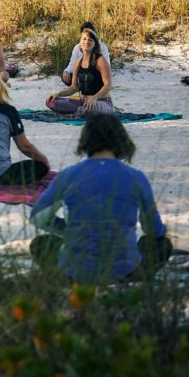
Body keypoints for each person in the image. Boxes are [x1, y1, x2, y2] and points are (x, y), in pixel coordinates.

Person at [28, 114, 171, 283]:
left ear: (85, 141)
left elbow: (38, 217)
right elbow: (154, 230)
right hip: (124, 270)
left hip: (76, 271)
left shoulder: (69, 175)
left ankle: (65, 276)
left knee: (40, 244)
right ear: (121, 140)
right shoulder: (136, 177)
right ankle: (134, 278)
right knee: (162, 245)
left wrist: (67, 230)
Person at [46, 27, 114, 117]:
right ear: (80, 42)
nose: (86, 42)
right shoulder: (77, 62)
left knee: (86, 110)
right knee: (51, 102)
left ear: (95, 44)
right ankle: (75, 113)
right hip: (82, 101)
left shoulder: (100, 60)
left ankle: (72, 114)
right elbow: (74, 87)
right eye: (84, 39)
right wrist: (58, 94)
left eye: (90, 40)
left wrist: (94, 97)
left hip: (101, 101)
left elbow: (108, 85)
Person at [61, 21, 111, 85]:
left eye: (90, 38)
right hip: (82, 73)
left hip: (96, 74)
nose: (86, 41)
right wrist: (66, 71)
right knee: (67, 76)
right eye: (84, 38)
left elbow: (107, 67)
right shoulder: (77, 47)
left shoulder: (102, 47)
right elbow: (72, 64)